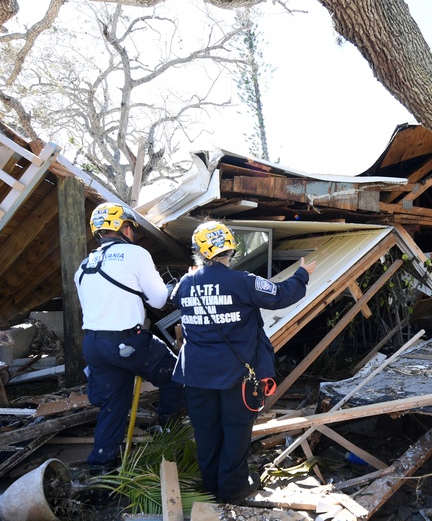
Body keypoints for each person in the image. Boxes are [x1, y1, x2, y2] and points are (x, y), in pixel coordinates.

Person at [171, 220, 317, 504]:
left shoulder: (186, 284)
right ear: (230, 248)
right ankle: (234, 488)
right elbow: (282, 295)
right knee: (236, 430)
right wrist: (301, 274)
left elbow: (174, 299)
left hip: (196, 375)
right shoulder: (243, 281)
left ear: (198, 251)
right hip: (236, 375)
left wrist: (194, 279)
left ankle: (211, 485)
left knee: (207, 432)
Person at [74, 202, 184, 473]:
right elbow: (158, 301)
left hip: (93, 344)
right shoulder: (135, 254)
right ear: (124, 228)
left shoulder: (85, 264)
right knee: (178, 376)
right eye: (131, 228)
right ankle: (168, 434)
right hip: (127, 342)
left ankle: (101, 468)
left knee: (113, 405)